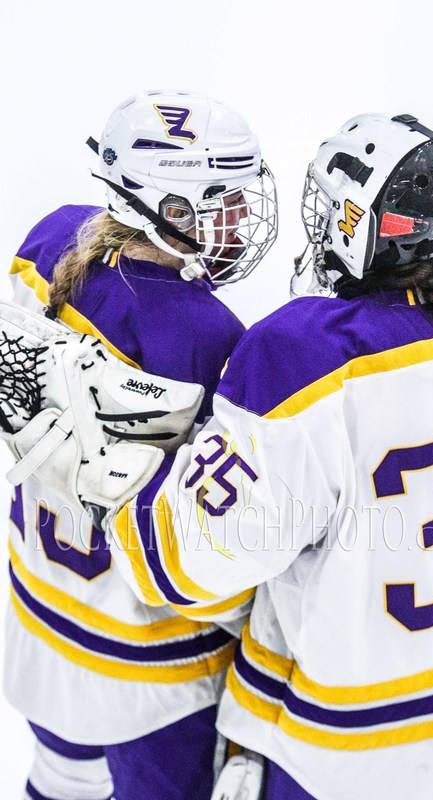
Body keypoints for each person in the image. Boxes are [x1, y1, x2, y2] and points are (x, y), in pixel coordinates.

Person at [3, 112, 433, 800]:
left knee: (63, 778)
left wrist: (97, 473)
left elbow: (191, 564)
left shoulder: (295, 354)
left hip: (336, 741)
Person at [5, 89, 277, 800]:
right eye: (223, 199)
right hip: (151, 665)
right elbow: (220, 527)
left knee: (60, 781)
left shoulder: (50, 239)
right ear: (168, 205)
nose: (241, 216)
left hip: (39, 613)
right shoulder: (207, 334)